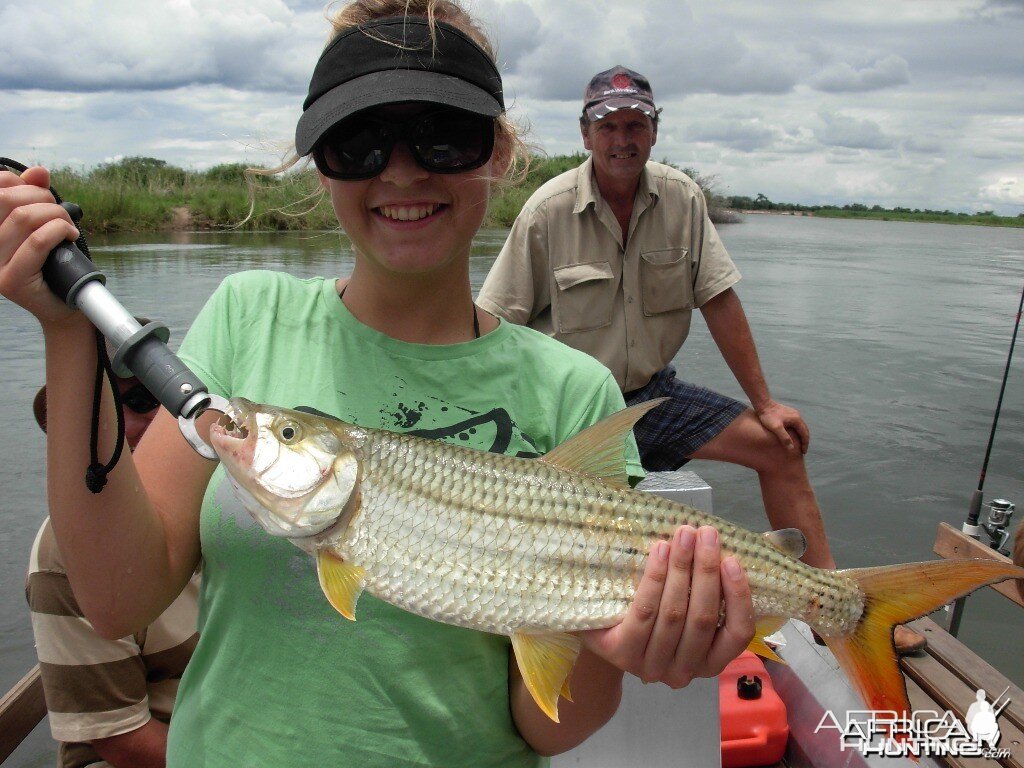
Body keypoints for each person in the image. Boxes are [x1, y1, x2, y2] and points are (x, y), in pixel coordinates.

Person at [0, 4, 755, 767]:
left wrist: (614, 639)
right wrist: (67, 334)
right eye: (356, 142)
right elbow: (115, 599)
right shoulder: (246, 317)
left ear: (497, 151)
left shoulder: (573, 387)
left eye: (442, 133)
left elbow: (550, 727)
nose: (400, 170)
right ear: (321, 160)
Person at [476, 64, 926, 654]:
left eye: (636, 124)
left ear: (654, 132)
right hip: (570, 413)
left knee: (781, 446)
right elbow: (495, 328)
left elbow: (718, 298)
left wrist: (765, 404)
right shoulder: (546, 211)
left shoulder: (682, 198)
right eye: (608, 126)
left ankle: (831, 601)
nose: (622, 138)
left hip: (652, 398)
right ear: (586, 136)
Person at [26, 371, 200, 768]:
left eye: (144, 399)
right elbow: (123, 741)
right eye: (90, 417)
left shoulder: (213, 508)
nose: (118, 426)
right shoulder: (65, 557)